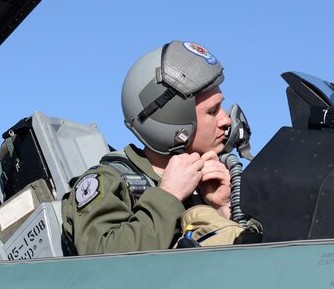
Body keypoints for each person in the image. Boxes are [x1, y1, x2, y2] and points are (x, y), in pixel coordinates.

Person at [62, 40, 247, 255]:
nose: (226, 120)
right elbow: (103, 260)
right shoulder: (109, 183)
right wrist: (168, 196)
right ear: (173, 122)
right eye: (212, 111)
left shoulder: (213, 184)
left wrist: (224, 209)